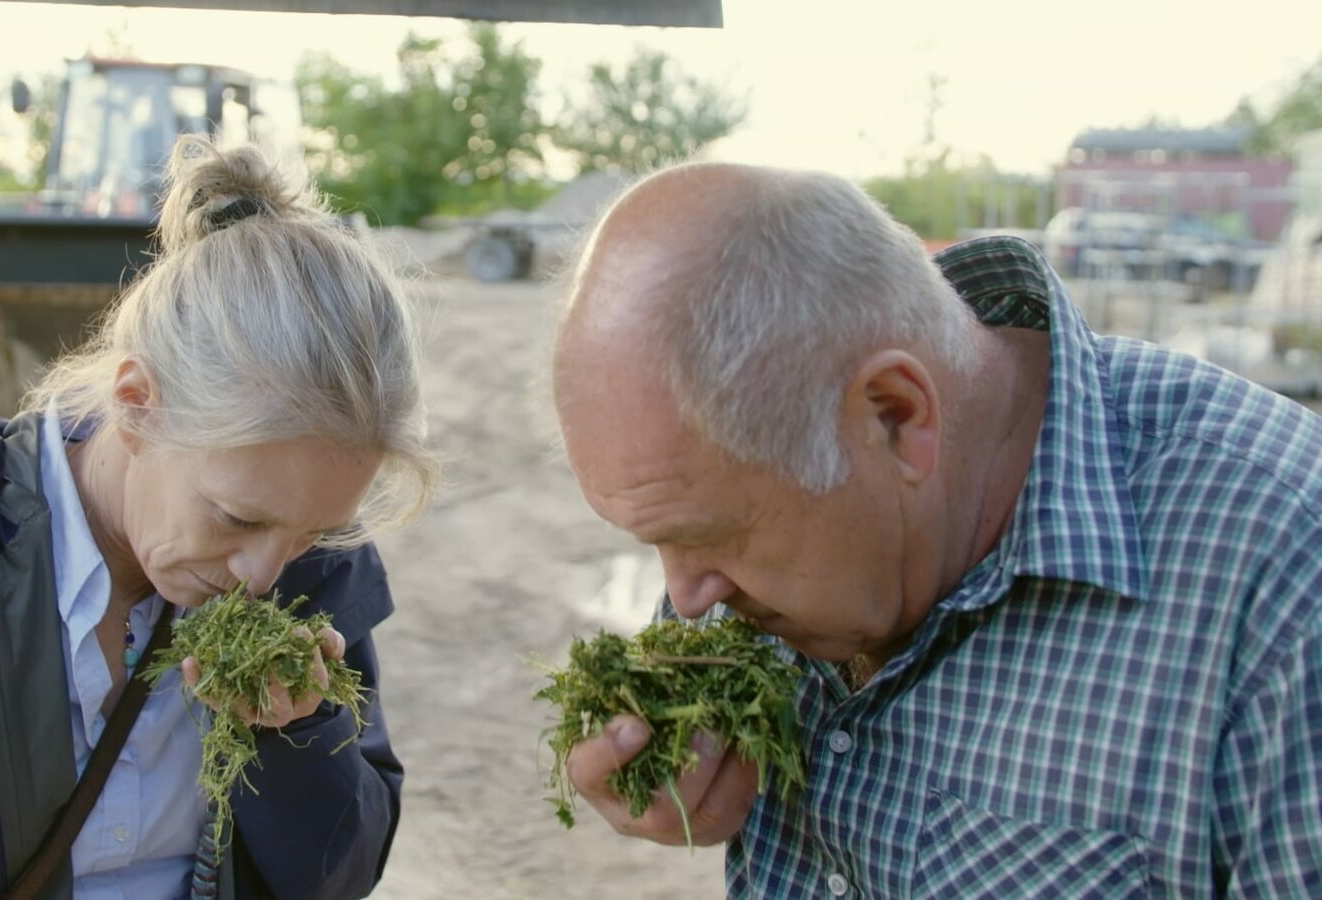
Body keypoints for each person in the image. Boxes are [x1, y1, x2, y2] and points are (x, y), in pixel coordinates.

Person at [551, 162, 1322, 897]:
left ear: (895, 415)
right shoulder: (753, 545)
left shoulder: (1285, 584)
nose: (684, 602)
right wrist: (659, 772)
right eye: (655, 543)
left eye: (711, 535)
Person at [0, 134, 435, 899]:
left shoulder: (313, 572)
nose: (263, 577)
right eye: (237, 518)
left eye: (314, 531)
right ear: (137, 405)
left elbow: (341, 877)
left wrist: (299, 732)